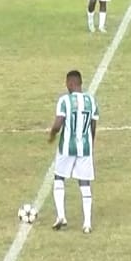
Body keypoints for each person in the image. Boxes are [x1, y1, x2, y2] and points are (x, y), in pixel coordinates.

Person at [47, 69, 99, 233]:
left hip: (67, 147)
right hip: (85, 147)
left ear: (70, 83)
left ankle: (61, 215)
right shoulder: (91, 101)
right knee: (84, 183)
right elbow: (93, 126)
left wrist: (52, 135)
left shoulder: (64, 100)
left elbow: (58, 124)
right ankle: (87, 223)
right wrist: (90, 144)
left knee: (59, 178)